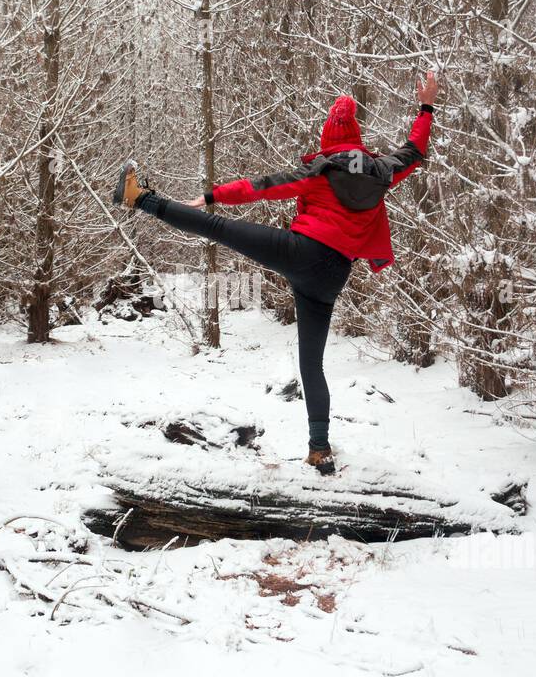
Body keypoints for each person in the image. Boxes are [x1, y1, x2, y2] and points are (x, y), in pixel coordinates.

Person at [115, 72, 439, 475]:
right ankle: (319, 449)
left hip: (300, 253)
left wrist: (212, 195)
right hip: (332, 276)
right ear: (358, 138)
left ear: (328, 139)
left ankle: (139, 198)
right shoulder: (384, 171)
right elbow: (416, 149)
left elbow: (261, 187)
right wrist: (426, 106)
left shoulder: (319, 172)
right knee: (312, 364)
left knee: (218, 228)